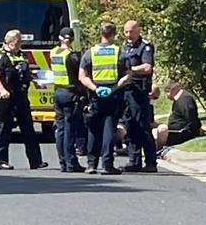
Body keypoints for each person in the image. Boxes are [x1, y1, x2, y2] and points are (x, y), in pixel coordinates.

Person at [79, 21, 131, 175]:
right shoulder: (119, 52)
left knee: (93, 130)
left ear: (100, 34)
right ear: (114, 34)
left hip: (96, 96)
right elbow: (128, 74)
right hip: (113, 95)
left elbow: (82, 76)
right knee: (109, 129)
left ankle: (91, 164)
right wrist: (114, 87)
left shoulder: (90, 53)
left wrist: (95, 88)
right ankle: (107, 165)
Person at [0, 29, 48, 170]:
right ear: (10, 42)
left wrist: (35, 81)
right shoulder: (1, 56)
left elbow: (24, 73)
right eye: (18, 42)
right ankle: (1, 161)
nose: (20, 44)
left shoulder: (21, 55)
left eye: (20, 41)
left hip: (21, 96)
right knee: (6, 128)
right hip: (6, 97)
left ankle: (36, 161)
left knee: (28, 127)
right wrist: (2, 90)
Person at [120, 20, 158, 173]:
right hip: (126, 90)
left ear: (138, 30)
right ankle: (134, 160)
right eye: (126, 32)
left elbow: (148, 67)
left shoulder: (145, 47)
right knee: (130, 125)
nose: (129, 35)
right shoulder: (123, 48)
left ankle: (150, 162)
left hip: (139, 91)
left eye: (131, 31)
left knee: (142, 126)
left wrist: (130, 70)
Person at [50, 27, 86, 173]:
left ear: (60, 38)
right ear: (72, 39)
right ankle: (71, 163)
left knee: (60, 129)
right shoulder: (71, 56)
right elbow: (78, 77)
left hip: (57, 91)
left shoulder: (54, 52)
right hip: (69, 93)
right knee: (70, 129)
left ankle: (63, 162)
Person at [153, 80, 202, 149]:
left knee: (161, 130)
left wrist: (196, 131)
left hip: (180, 132)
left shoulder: (185, 99)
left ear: (171, 90)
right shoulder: (178, 99)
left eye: (166, 92)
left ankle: (157, 150)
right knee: (154, 130)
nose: (166, 96)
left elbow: (191, 119)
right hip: (175, 129)